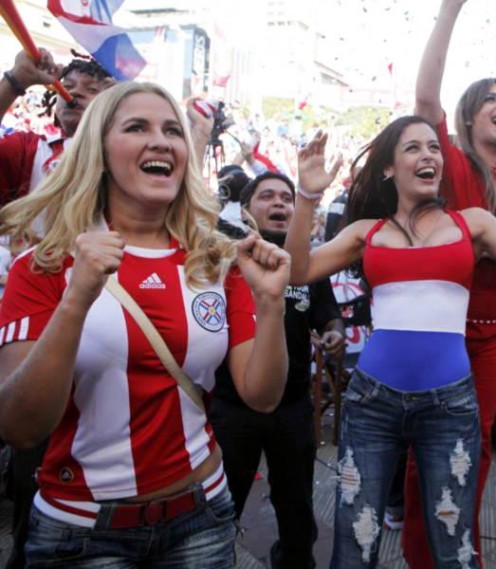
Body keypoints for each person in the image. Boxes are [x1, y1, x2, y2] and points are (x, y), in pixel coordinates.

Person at [0, 81, 290, 567]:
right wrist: (77, 301)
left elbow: (262, 396)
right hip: (81, 532)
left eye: (173, 131)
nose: (161, 141)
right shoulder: (44, 265)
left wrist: (271, 303)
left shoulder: (216, 261)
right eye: (137, 127)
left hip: (203, 519)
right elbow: (20, 427)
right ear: (100, 151)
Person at [282, 119, 496, 568]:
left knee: (454, 545)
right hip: (373, 401)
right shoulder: (366, 232)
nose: (429, 155)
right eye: (413, 148)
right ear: (390, 168)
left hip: (449, 405)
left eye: (434, 147)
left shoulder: (473, 224)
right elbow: (297, 271)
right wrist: (307, 196)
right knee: (356, 541)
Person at [409, 2, 496, 563]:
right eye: (491, 99)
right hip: (440, 329)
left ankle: (464, 547)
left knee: (478, 448)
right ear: (468, 117)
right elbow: (424, 101)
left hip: (488, 335)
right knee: (429, 450)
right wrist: (449, 11)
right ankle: (421, 553)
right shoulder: (455, 165)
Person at [210, 170, 345, 569]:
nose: (280, 204)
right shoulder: (224, 259)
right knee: (220, 512)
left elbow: (330, 317)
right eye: (267, 196)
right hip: (232, 408)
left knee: (298, 515)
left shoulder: (305, 264)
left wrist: (334, 333)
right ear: (248, 210)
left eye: (287, 197)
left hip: (293, 409)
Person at [0, 49, 114, 206]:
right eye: (67, 86)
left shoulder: (124, 157)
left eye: (92, 89)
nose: (74, 92)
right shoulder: (27, 148)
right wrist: (16, 79)